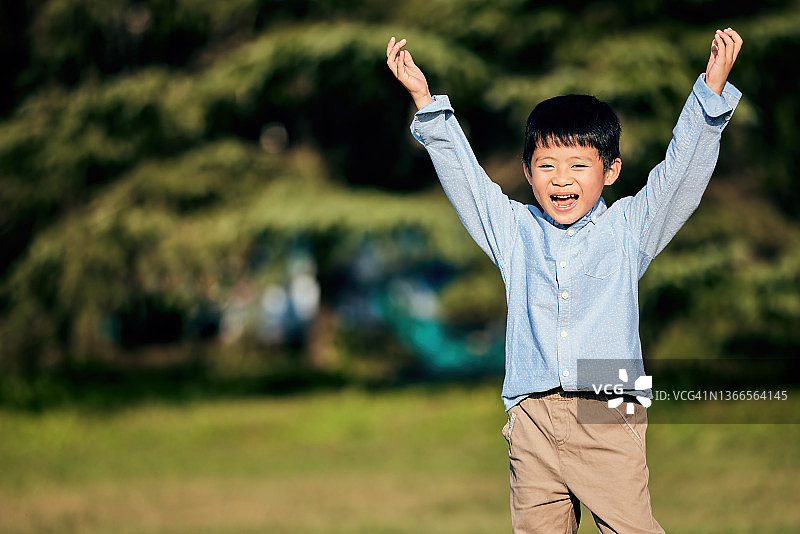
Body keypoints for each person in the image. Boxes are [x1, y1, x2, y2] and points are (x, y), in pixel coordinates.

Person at [386, 28, 742, 534]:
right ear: (528, 176)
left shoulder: (628, 229)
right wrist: (426, 102)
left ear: (611, 170)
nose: (561, 178)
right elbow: (468, 183)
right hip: (531, 414)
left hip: (608, 410)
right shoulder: (515, 231)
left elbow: (679, 176)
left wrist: (710, 92)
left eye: (579, 164)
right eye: (546, 165)